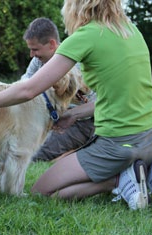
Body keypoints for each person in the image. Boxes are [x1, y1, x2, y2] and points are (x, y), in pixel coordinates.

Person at [0, 0, 152, 210]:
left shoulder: (85, 36)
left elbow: (28, 90)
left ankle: (118, 181)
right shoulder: (132, 32)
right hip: (151, 135)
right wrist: (75, 114)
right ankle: (141, 169)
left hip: (118, 142)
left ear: (75, 7)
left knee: (42, 191)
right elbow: (116, 97)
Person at [19, 17, 96, 162]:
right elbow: (25, 83)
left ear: (52, 44)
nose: (32, 55)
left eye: (35, 49)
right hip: (50, 119)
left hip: (80, 122)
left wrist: (72, 114)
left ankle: (81, 148)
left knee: (35, 154)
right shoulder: (38, 61)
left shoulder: (79, 64)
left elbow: (101, 103)